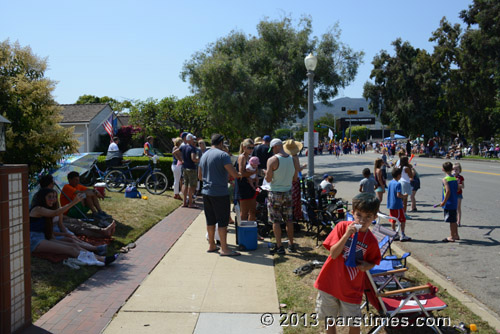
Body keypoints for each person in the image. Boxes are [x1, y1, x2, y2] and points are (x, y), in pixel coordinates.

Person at [314, 193, 382, 334]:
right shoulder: (341, 227)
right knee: (329, 319)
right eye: (359, 215)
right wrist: (346, 235)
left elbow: (373, 261)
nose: (362, 221)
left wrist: (366, 266)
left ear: (375, 217)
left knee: (354, 323)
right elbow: (333, 254)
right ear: (352, 213)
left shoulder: (371, 241)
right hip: (329, 283)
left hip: (351, 288)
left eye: (368, 217)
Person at [30, 188, 118, 266]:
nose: (53, 200)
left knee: (73, 245)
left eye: (54, 197)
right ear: (42, 198)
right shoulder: (37, 209)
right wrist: (74, 202)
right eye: (49, 197)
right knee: (70, 249)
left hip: (44, 238)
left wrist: (64, 234)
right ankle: (100, 260)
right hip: (34, 241)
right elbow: (56, 213)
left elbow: (52, 226)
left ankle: (99, 257)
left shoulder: (47, 209)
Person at [198, 133, 241, 256]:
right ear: (221, 142)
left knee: (210, 220)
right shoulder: (223, 155)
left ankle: (212, 245)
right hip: (220, 193)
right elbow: (234, 173)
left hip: (206, 192)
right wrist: (242, 173)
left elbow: (200, 176)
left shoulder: (204, 155)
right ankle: (224, 248)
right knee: (223, 222)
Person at [36, 174, 116, 238]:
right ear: (50, 184)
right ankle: (102, 233)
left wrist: (95, 191)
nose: (52, 199)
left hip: (58, 218)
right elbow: (53, 213)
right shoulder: (40, 197)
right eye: (52, 183)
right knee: (76, 227)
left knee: (79, 222)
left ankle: (102, 230)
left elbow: (57, 211)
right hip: (53, 221)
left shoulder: (52, 193)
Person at [265, 138, 299, 254]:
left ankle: (279, 246)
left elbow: (268, 179)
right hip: (288, 192)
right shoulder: (293, 159)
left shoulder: (272, 160)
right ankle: (291, 244)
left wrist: (266, 174)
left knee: (276, 221)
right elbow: (295, 178)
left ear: (275, 147)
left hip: (275, 193)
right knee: (289, 220)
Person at [283, 139, 306, 222]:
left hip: (287, 179)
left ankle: (290, 216)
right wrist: (303, 166)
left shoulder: (286, 156)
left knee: (290, 199)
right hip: (294, 180)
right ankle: (295, 216)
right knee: (295, 200)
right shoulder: (295, 157)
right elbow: (298, 169)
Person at [387, 168, 411, 241]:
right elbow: (398, 195)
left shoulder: (390, 182)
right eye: (400, 174)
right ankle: (402, 234)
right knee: (402, 219)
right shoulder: (398, 184)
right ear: (398, 175)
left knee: (393, 220)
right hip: (397, 205)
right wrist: (405, 196)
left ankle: (394, 234)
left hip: (391, 204)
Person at [236, 139, 258, 221]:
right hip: (244, 187)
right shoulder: (242, 157)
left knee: (252, 211)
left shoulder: (249, 157)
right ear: (244, 147)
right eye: (249, 148)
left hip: (249, 186)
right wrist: (253, 173)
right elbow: (241, 173)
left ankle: (250, 230)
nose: (251, 150)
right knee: (244, 212)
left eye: (253, 148)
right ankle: (243, 231)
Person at [440, 162, 460, 242]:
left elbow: (448, 191)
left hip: (449, 202)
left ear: (443, 169)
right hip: (454, 201)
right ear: (452, 169)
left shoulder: (445, 179)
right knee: (454, 220)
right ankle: (456, 235)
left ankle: (452, 236)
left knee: (451, 221)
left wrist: (443, 202)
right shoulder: (454, 178)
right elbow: (458, 189)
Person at [180, 133, 200, 208]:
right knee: (192, 186)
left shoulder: (183, 147)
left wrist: (181, 159)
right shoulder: (192, 148)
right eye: (192, 139)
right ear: (190, 139)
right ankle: (190, 203)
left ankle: (184, 202)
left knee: (185, 185)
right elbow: (193, 159)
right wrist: (198, 160)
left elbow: (175, 152)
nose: (194, 141)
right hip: (191, 168)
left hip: (184, 168)